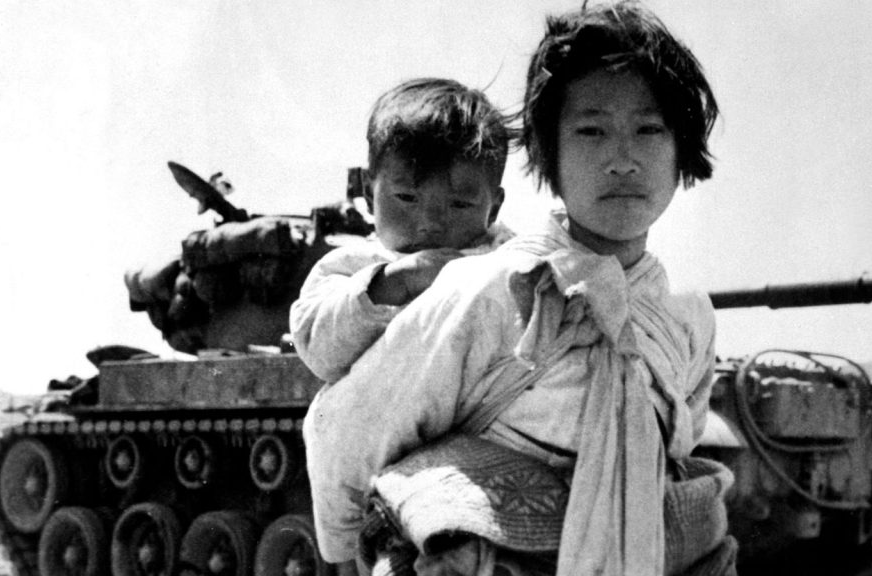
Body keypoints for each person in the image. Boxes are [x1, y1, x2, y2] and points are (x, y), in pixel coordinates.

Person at [305, 2, 736, 575]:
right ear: (548, 155)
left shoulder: (687, 322)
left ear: (682, 150)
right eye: (591, 130)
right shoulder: (484, 289)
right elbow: (352, 429)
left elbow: (674, 451)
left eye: (650, 129)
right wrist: (344, 555)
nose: (623, 159)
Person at [290, 77, 511, 385]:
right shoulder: (351, 268)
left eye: (459, 204)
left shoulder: (509, 264)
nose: (431, 225)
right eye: (407, 197)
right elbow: (317, 347)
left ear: (494, 208)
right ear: (369, 193)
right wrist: (391, 284)